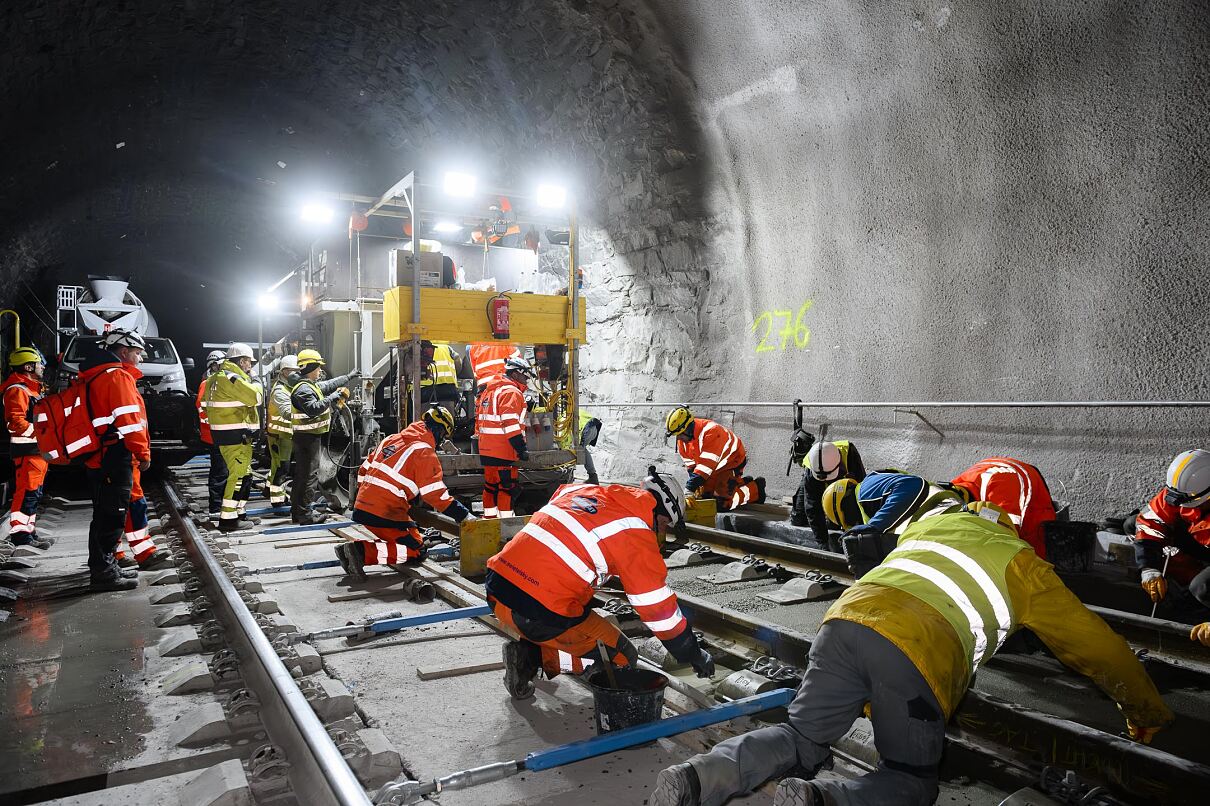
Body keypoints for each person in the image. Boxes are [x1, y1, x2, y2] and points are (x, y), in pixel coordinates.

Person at [652, 503, 1174, 806]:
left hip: (845, 623)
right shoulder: (1025, 566)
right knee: (911, 779)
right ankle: (823, 801)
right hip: (915, 650)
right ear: (1011, 530)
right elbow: (1098, 648)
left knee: (801, 735)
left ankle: (697, 777)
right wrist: (1143, 709)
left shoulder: (931, 525)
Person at [486, 468, 715, 699]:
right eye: (665, 524)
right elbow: (658, 611)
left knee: (572, 622)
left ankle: (528, 652)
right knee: (622, 655)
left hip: (498, 594)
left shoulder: (582, 490)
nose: (662, 532)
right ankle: (529, 659)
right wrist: (691, 653)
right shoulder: (635, 532)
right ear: (659, 511)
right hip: (537, 614)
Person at [336, 406, 473, 578]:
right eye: (444, 436)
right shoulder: (424, 451)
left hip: (364, 507)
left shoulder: (391, 439)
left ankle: (355, 551)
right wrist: (464, 516)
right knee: (415, 551)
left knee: (415, 539)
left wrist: (366, 498)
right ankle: (360, 552)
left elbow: (363, 470)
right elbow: (435, 495)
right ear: (439, 431)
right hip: (385, 513)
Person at [79, 329, 152, 591]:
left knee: (104, 513)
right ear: (124, 352)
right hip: (114, 455)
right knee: (112, 515)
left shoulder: (97, 375)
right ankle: (104, 574)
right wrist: (142, 452)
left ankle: (106, 566)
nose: (140, 359)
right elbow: (129, 421)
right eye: (137, 353)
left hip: (100, 455)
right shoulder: (117, 377)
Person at [821, 471, 969, 578]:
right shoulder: (875, 507)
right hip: (942, 523)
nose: (854, 525)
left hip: (943, 512)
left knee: (861, 541)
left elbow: (911, 485)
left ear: (844, 507)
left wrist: (874, 526)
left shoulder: (865, 490)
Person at [1133, 449, 1210, 647]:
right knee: (1129, 524)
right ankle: (1190, 582)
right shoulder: (1184, 491)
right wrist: (1149, 568)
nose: (1178, 503)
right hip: (1201, 541)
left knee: (1202, 587)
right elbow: (1150, 522)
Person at [289, 348, 358, 525]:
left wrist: (348, 377)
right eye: (318, 367)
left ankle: (298, 512)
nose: (320, 371)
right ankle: (305, 514)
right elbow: (313, 409)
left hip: (307, 437)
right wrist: (333, 398)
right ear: (311, 367)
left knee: (303, 475)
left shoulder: (308, 385)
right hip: (307, 438)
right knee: (309, 477)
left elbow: (327, 385)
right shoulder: (303, 389)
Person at [949, 456, 1057, 558]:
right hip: (1011, 489)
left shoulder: (1001, 487)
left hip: (1037, 539)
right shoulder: (957, 486)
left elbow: (1007, 537)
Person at [206, 343, 262, 532]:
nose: (250, 367)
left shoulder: (215, 378)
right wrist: (256, 382)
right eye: (249, 362)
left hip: (232, 435)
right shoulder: (230, 377)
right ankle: (229, 520)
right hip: (234, 435)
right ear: (241, 360)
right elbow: (256, 397)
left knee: (244, 474)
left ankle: (239, 514)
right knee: (237, 475)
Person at [665, 406, 764, 511]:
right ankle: (738, 483)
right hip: (712, 468)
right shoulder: (683, 442)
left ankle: (755, 489)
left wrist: (690, 488)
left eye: (680, 434)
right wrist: (697, 486)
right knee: (706, 498)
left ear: (688, 427)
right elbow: (691, 466)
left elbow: (705, 466)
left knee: (721, 505)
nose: (679, 438)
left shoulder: (711, 431)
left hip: (731, 463)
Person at [3, 347, 51, 550]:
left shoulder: (30, 389)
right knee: (26, 493)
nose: (43, 368)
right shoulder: (17, 390)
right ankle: (20, 535)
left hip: (36, 451)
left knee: (33, 493)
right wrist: (43, 433)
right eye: (39, 364)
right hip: (28, 451)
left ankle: (28, 531)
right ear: (29, 366)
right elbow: (15, 422)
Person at [476, 356, 531, 518]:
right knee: (507, 488)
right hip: (503, 450)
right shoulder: (511, 392)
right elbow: (511, 424)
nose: (526, 380)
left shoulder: (490, 390)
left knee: (490, 487)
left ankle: (490, 520)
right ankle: (505, 525)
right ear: (515, 374)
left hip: (487, 450)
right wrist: (521, 449)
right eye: (525, 375)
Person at [789, 440, 866, 551]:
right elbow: (812, 507)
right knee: (798, 518)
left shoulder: (849, 453)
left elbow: (862, 492)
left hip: (843, 483)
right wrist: (823, 543)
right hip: (814, 478)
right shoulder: (810, 470)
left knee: (839, 520)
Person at [115, 457, 170, 569]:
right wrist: (144, 455)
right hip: (121, 458)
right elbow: (135, 438)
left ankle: (113, 555)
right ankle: (144, 554)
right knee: (133, 503)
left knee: (113, 507)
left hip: (107, 458)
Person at [195, 350, 228, 519]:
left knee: (224, 471)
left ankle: (222, 506)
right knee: (220, 472)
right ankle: (215, 508)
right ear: (214, 365)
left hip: (222, 434)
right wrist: (219, 423)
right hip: (215, 435)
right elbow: (202, 409)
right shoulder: (207, 384)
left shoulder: (219, 382)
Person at [265, 355, 298, 506]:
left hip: (285, 435)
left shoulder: (289, 388)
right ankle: (277, 501)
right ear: (284, 372)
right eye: (294, 371)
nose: (297, 374)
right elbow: (287, 412)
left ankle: (269, 490)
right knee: (281, 468)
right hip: (279, 436)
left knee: (277, 466)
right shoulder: (280, 390)